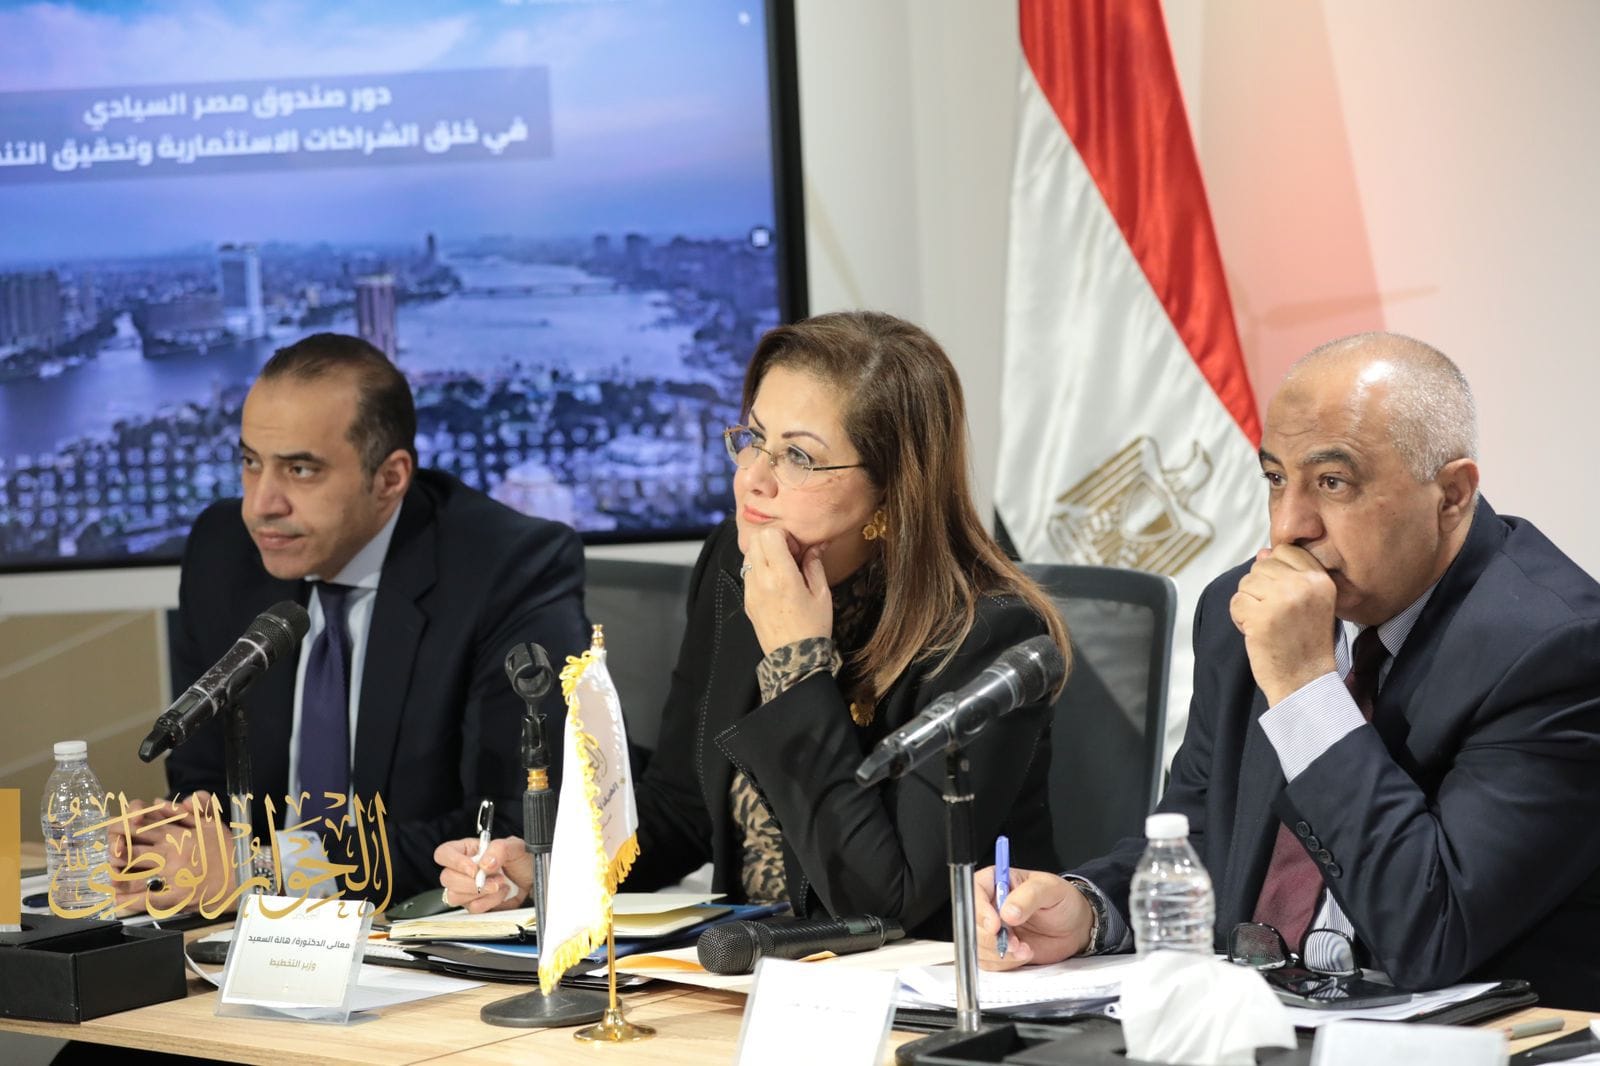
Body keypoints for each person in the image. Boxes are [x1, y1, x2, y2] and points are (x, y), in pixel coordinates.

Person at [976, 333, 1600, 1010]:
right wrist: (1088, 910)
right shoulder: (1240, 611)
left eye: (1333, 483)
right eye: (1276, 479)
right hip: (1261, 1024)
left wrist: (1306, 688)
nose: (1288, 528)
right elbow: (1202, 834)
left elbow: (1432, 931)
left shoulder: (1556, 651)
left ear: (1451, 495)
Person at [435, 310, 1068, 935]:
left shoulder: (987, 636)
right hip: (743, 970)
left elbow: (884, 904)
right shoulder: (737, 566)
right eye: (754, 439)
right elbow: (683, 805)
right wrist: (551, 869)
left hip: (919, 983)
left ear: (892, 491)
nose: (753, 478)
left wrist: (798, 664)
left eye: (798, 456)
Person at [114, 333, 588, 907]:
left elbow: (510, 826)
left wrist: (268, 869)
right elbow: (206, 777)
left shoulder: (507, 567)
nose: (261, 504)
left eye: (300, 470)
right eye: (250, 463)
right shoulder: (225, 551)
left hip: (415, 930)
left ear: (390, 478)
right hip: (251, 929)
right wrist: (177, 840)